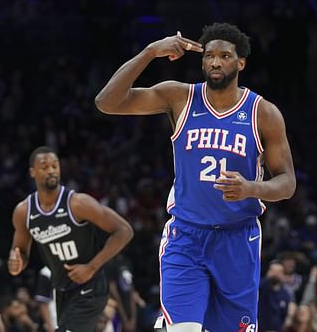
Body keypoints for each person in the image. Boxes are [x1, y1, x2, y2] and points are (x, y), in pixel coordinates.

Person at [96, 22, 296, 332]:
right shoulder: (179, 97)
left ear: (240, 62)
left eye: (225, 56)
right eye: (209, 56)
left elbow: (287, 183)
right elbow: (107, 102)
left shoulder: (263, 113)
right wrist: (150, 52)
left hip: (238, 238)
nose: (216, 62)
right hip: (186, 236)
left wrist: (250, 188)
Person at [7, 146, 133, 331]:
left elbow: (124, 230)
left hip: (91, 286)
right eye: (44, 166)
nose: (51, 170)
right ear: (32, 172)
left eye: (55, 165)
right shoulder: (24, 212)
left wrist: (91, 267)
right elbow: (20, 252)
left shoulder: (78, 203)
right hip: (62, 289)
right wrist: (15, 262)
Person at [258, 261, 293, 332]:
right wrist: (268, 278)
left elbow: (284, 315)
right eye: (273, 271)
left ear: (283, 274)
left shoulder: (285, 294)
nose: (275, 274)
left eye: (279, 272)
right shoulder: (261, 288)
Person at [35, 266, 57, 332]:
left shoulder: (77, 267)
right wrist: (50, 326)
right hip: (55, 320)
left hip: (75, 318)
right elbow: (43, 303)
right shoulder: (46, 272)